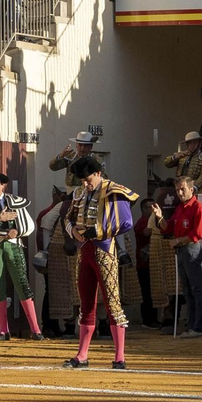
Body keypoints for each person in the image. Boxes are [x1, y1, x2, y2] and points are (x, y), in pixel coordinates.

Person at [64, 156, 138, 369]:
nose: (85, 184)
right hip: (84, 251)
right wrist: (74, 231)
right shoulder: (80, 192)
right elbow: (68, 218)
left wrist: (97, 231)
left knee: (112, 302)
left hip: (105, 251)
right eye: (82, 181)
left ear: (98, 173)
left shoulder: (114, 191)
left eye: (88, 180)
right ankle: (82, 355)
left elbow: (126, 222)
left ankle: (119, 357)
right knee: (86, 303)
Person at [0, 172, 41, 341]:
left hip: (13, 245)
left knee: (22, 284)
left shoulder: (14, 201)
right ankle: (3, 330)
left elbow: (29, 226)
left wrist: (17, 231)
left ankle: (35, 329)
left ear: (3, 186)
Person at [154, 174, 202, 339]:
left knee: (196, 288)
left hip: (190, 248)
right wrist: (159, 216)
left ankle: (198, 326)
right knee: (187, 289)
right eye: (177, 190)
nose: (180, 193)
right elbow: (168, 227)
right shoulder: (180, 208)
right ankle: (191, 325)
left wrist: (178, 240)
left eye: (183, 189)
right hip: (180, 250)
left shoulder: (199, 208)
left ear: (191, 189)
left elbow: (199, 233)